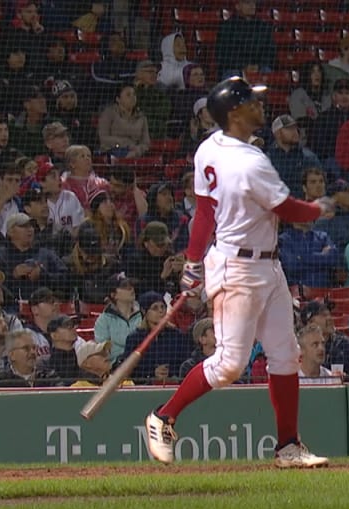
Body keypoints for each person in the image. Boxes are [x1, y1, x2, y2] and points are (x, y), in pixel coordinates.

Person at [144, 77, 336, 468]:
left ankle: (287, 446)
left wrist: (195, 262)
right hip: (239, 267)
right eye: (251, 101)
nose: (259, 106)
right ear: (234, 113)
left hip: (265, 263)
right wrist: (321, 208)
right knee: (230, 364)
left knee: (285, 354)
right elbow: (290, 211)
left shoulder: (208, 148)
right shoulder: (251, 162)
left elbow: (204, 212)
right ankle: (162, 417)